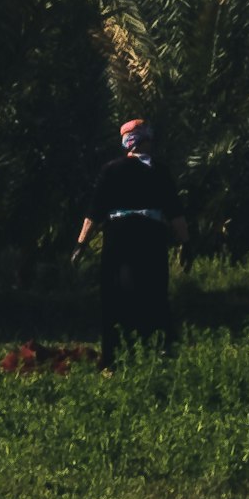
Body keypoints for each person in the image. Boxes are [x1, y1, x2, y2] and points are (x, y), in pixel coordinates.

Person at [75, 117, 184, 361]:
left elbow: (94, 212)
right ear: (143, 140)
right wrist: (185, 242)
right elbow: (175, 211)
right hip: (150, 236)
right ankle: (156, 350)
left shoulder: (111, 170)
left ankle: (113, 354)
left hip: (119, 236)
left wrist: (81, 244)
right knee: (153, 290)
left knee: (115, 293)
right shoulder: (159, 171)